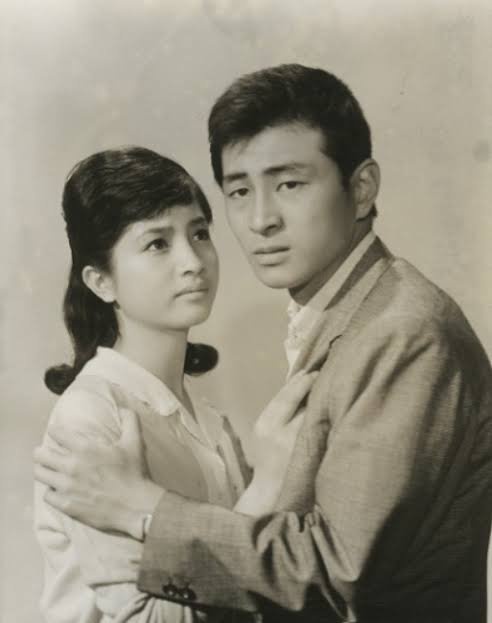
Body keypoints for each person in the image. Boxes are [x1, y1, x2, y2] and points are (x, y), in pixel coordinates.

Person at [35, 65, 492, 622]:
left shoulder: (401, 332)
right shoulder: (353, 321)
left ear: (362, 188)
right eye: (239, 191)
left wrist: (145, 508)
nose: (260, 220)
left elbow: (338, 574)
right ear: (99, 280)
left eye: (289, 184)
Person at [34, 146, 316, 623]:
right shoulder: (91, 417)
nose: (193, 261)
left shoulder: (210, 423)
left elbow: (254, 580)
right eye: (157, 244)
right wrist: (267, 484)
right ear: (101, 282)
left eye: (199, 233)